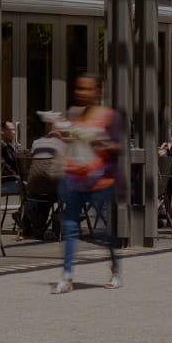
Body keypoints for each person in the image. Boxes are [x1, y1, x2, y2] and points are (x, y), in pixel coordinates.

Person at [50, 72, 123, 294]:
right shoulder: (74, 114)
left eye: (86, 89)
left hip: (99, 180)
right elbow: (75, 141)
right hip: (74, 178)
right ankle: (67, 276)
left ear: (97, 92)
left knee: (103, 232)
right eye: (78, 88)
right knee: (70, 227)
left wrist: (101, 142)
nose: (81, 93)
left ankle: (115, 269)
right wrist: (64, 136)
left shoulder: (109, 116)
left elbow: (119, 147)